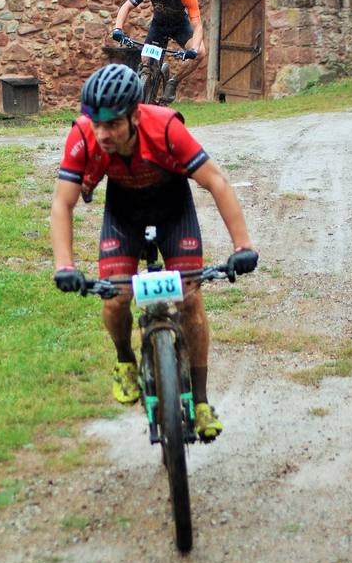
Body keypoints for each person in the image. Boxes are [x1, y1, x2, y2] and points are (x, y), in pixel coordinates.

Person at [51, 63, 258, 441]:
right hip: (123, 214)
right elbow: (62, 203)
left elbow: (216, 181)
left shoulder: (164, 128)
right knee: (116, 299)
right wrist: (64, 266)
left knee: (190, 299)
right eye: (97, 124)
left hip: (173, 209)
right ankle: (125, 361)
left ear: (135, 116)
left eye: (113, 124)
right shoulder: (83, 135)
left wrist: (242, 246)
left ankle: (200, 402)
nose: (103, 134)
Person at [112, 0, 205, 103]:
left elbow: (197, 25)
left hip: (180, 27)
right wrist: (118, 29)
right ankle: (145, 91)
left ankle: (173, 82)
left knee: (200, 53)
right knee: (146, 62)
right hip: (159, 27)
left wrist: (193, 49)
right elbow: (127, 6)